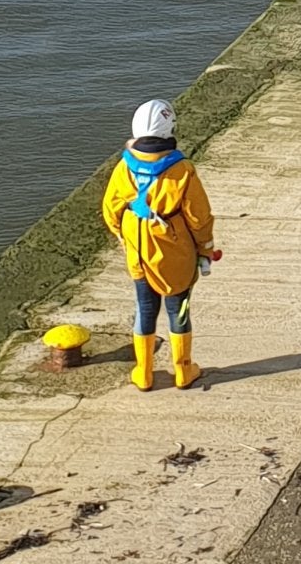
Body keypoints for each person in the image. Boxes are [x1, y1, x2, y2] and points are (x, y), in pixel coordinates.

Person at [101, 99, 221, 391]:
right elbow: (199, 217)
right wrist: (205, 248)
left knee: (144, 308)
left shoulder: (123, 168)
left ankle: (143, 372)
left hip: (139, 253)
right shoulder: (182, 170)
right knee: (178, 309)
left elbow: (110, 209)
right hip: (174, 254)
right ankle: (183, 371)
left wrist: (123, 236)